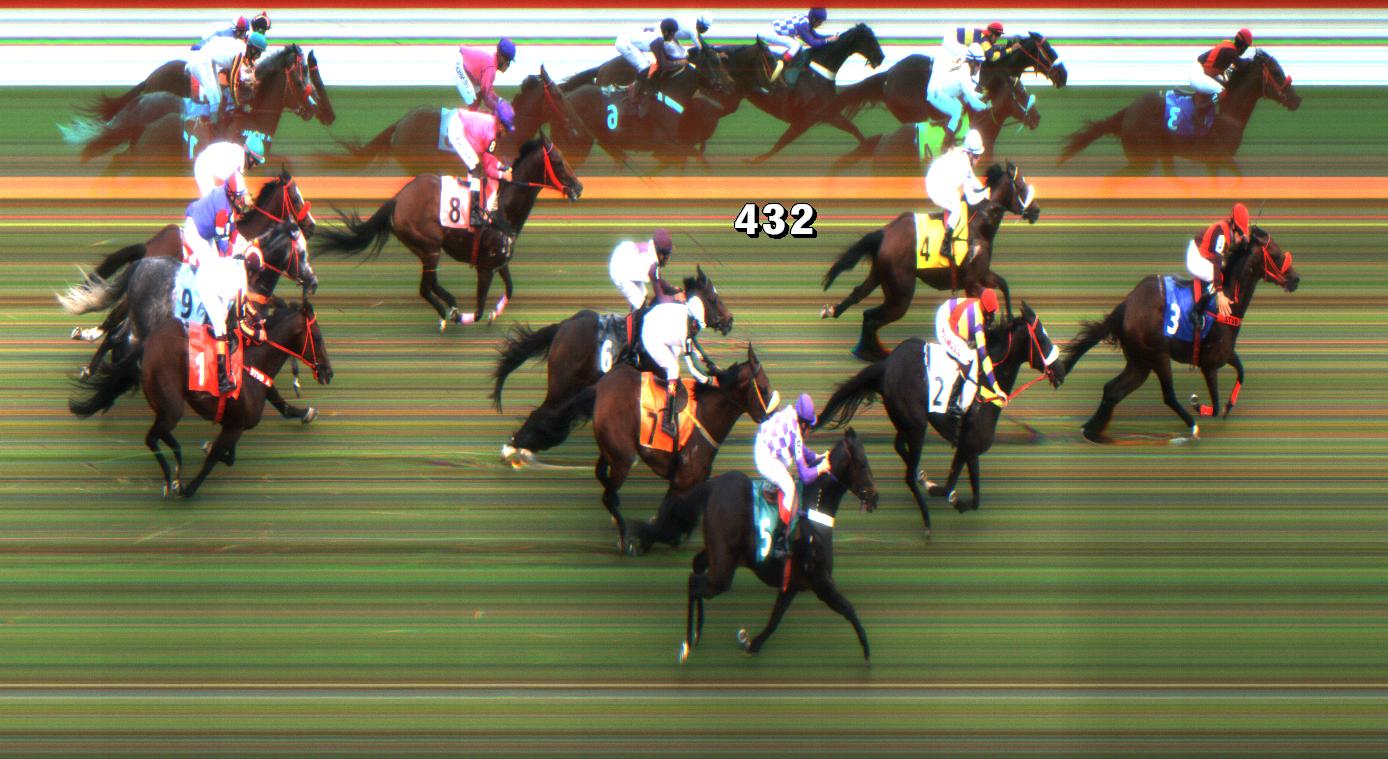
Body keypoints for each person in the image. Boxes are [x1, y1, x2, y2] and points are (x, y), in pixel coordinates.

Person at [182, 175, 258, 395]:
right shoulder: (224, 210)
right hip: (196, 234)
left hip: (203, 225)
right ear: (232, 195)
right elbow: (225, 245)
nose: (243, 200)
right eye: (240, 197)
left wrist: (244, 246)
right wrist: (241, 252)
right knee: (213, 268)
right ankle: (201, 314)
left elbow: (232, 234)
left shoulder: (226, 199)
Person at [753, 393, 831, 561]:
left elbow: (803, 451)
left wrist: (818, 457)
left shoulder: (792, 415)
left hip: (765, 444)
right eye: (809, 426)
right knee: (789, 487)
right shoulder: (795, 432)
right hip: (764, 456)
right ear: (803, 424)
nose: (809, 430)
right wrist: (821, 468)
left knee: (787, 465)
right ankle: (780, 540)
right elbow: (805, 476)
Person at [935, 288, 1007, 425]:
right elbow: (984, 357)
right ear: (984, 310)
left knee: (971, 353)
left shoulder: (980, 306)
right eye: (990, 313)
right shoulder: (977, 323)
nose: (992, 316)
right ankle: (952, 404)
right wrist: (997, 389)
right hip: (944, 322)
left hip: (952, 315)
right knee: (967, 357)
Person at [639, 294, 706, 438]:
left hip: (656, 323)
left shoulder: (687, 315)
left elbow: (694, 345)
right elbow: (693, 368)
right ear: (692, 318)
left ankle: (670, 385)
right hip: (651, 336)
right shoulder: (684, 331)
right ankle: (666, 421)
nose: (697, 329)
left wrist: (705, 360)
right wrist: (708, 380)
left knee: (676, 352)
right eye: (696, 324)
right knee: (674, 368)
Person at [1186, 202, 1251, 335]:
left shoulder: (1231, 230)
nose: (1240, 238)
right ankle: (1196, 311)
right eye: (1240, 233)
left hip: (1206, 255)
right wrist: (1220, 293)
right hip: (1195, 256)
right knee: (1218, 276)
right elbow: (1217, 263)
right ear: (1233, 226)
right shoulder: (1222, 234)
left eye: (1242, 234)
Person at [447, 103, 515, 228]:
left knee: (474, 164)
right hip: (457, 129)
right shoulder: (491, 135)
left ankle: (469, 193)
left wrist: (501, 166)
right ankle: (473, 214)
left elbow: (487, 157)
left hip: (460, 124)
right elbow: (488, 170)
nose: (505, 133)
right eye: (506, 129)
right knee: (476, 167)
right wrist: (502, 175)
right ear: (500, 124)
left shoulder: (493, 126)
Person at [924, 128, 988, 251]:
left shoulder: (964, 155)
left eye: (979, 155)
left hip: (936, 180)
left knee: (955, 195)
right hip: (935, 186)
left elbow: (973, 179)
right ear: (970, 154)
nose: (979, 158)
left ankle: (941, 213)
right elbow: (971, 198)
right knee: (957, 207)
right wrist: (984, 195)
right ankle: (945, 244)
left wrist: (984, 189)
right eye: (977, 156)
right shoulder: (963, 164)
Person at [185, 31, 266, 124]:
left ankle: (208, 118)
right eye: (258, 52)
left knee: (218, 96)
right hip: (202, 60)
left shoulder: (245, 54)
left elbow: (248, 74)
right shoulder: (240, 53)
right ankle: (207, 122)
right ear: (251, 48)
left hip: (212, 60)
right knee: (215, 97)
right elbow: (233, 81)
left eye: (260, 52)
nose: (258, 55)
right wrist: (239, 105)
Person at [926, 42, 988, 140]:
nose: (979, 67)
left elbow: (971, 94)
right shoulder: (964, 74)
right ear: (972, 62)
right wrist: (987, 106)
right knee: (956, 112)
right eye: (978, 63)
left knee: (959, 106)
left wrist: (983, 96)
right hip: (936, 92)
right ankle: (946, 143)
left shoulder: (965, 68)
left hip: (942, 90)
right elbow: (974, 103)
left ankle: (946, 127)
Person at [1190, 29, 1254, 121]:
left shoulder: (1228, 45)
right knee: (1222, 92)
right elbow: (1242, 65)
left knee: (1225, 84)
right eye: (1246, 47)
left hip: (1200, 70)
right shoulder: (1231, 52)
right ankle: (1200, 111)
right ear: (1242, 46)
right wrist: (1253, 58)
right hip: (1198, 74)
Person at [608, 229, 680, 311]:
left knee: (643, 294)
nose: (666, 258)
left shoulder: (652, 250)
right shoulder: (653, 263)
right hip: (619, 272)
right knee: (640, 304)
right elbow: (662, 298)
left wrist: (671, 288)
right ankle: (633, 318)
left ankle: (635, 315)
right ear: (660, 251)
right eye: (665, 254)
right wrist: (675, 297)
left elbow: (658, 279)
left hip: (623, 261)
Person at [761, 7, 837, 84]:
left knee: (800, 47)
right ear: (814, 19)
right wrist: (827, 40)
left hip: (776, 31)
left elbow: (816, 35)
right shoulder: (803, 25)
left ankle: (783, 60)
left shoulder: (806, 20)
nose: (820, 24)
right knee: (796, 45)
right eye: (819, 22)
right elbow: (812, 42)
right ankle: (782, 64)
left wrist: (830, 37)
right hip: (771, 32)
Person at [192, 132, 267, 197]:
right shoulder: (237, 157)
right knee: (213, 201)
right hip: (203, 167)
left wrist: (244, 194)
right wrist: (245, 194)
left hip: (209, 168)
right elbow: (237, 180)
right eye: (256, 162)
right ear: (250, 157)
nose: (255, 166)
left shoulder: (240, 155)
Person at [456, 38, 514, 113]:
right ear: (501, 57)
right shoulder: (491, 67)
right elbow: (486, 98)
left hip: (462, 63)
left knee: (477, 96)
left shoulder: (493, 61)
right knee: (473, 100)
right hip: (458, 64)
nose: (508, 65)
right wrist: (501, 110)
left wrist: (500, 101)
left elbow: (488, 92)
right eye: (508, 62)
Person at [942, 21, 1007, 65]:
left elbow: (989, 48)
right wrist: (1010, 49)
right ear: (990, 33)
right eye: (997, 34)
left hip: (950, 36)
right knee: (973, 56)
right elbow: (992, 57)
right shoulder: (984, 40)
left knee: (973, 54)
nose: (998, 37)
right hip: (950, 39)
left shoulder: (983, 34)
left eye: (999, 35)